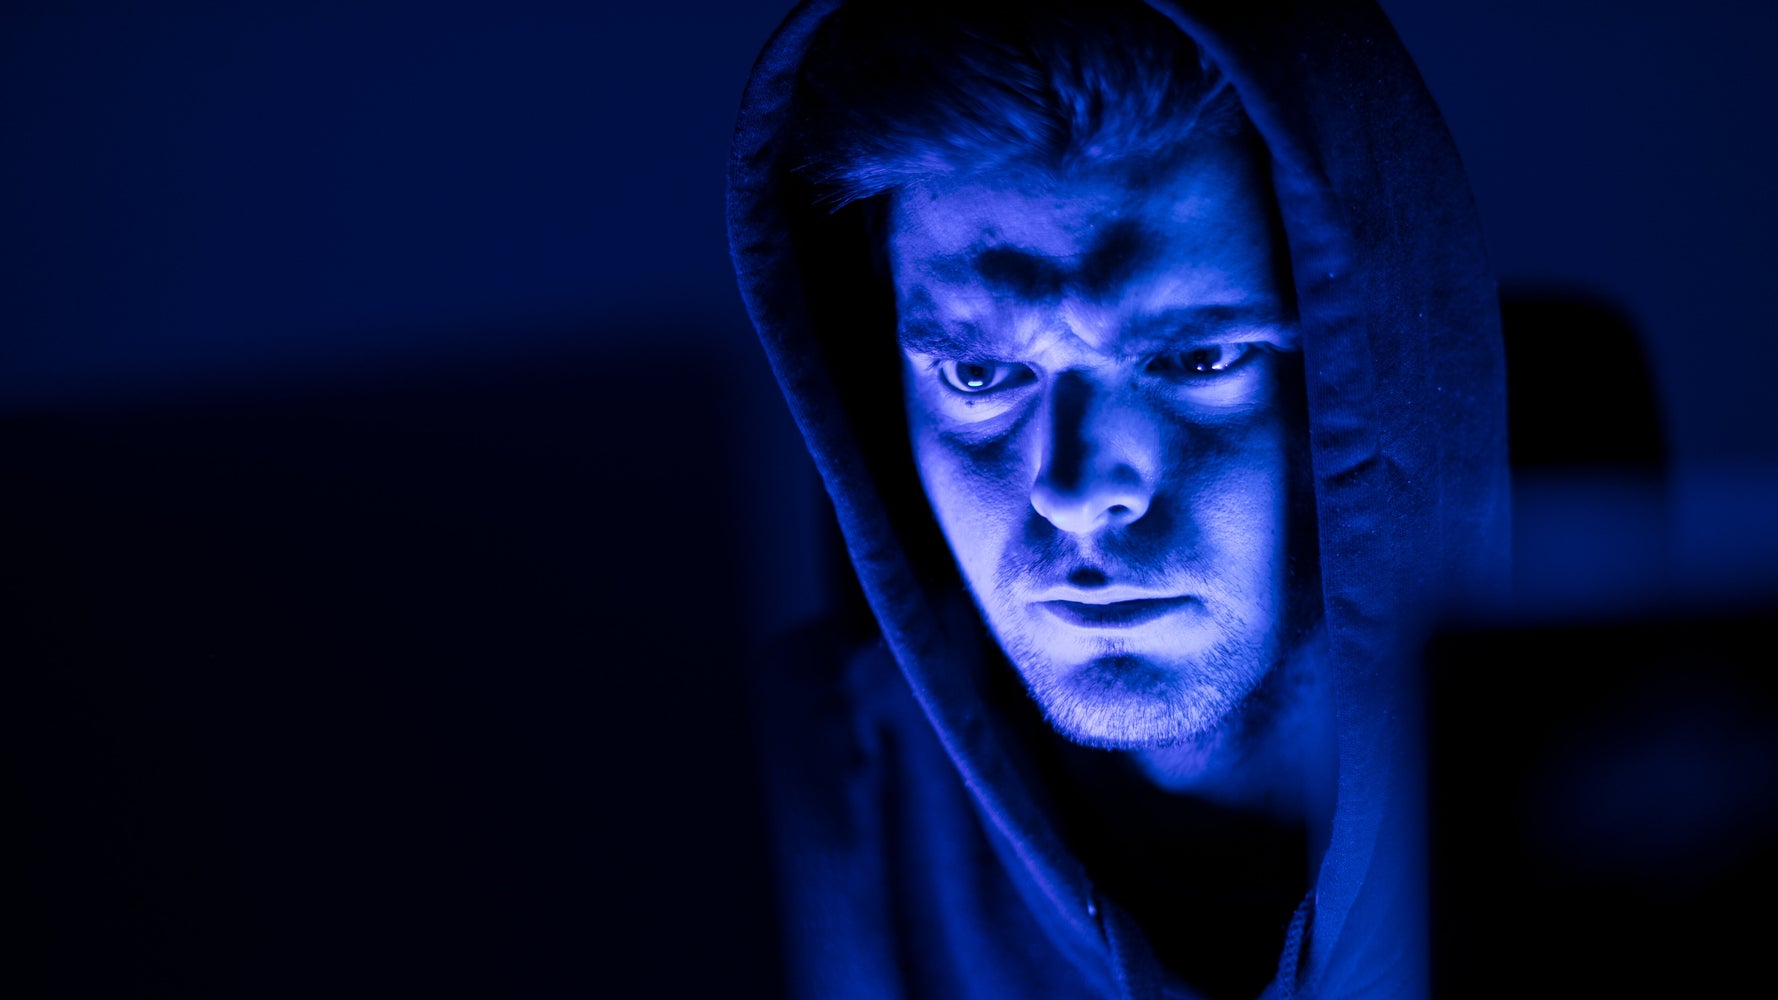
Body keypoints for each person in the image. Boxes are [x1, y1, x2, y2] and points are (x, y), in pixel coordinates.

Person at [727, 1, 1509, 997]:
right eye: (976, 374)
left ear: (1372, 373)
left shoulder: (1648, 788)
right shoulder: (761, 829)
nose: (1073, 491)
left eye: (1196, 358)